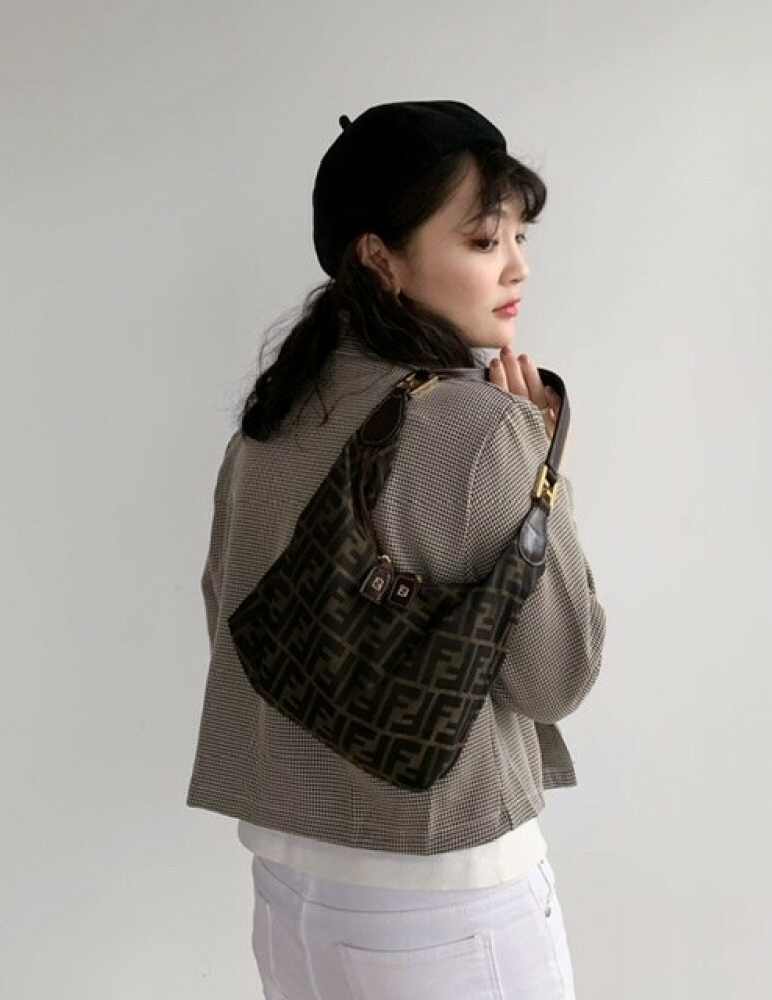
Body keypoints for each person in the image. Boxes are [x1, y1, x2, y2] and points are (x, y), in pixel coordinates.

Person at [187, 100, 606, 1000]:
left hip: (288, 892)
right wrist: (546, 473)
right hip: (450, 900)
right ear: (380, 257)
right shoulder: (484, 427)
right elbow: (556, 679)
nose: (518, 266)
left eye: (519, 236)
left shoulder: (271, 422)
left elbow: (233, 618)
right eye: (483, 240)